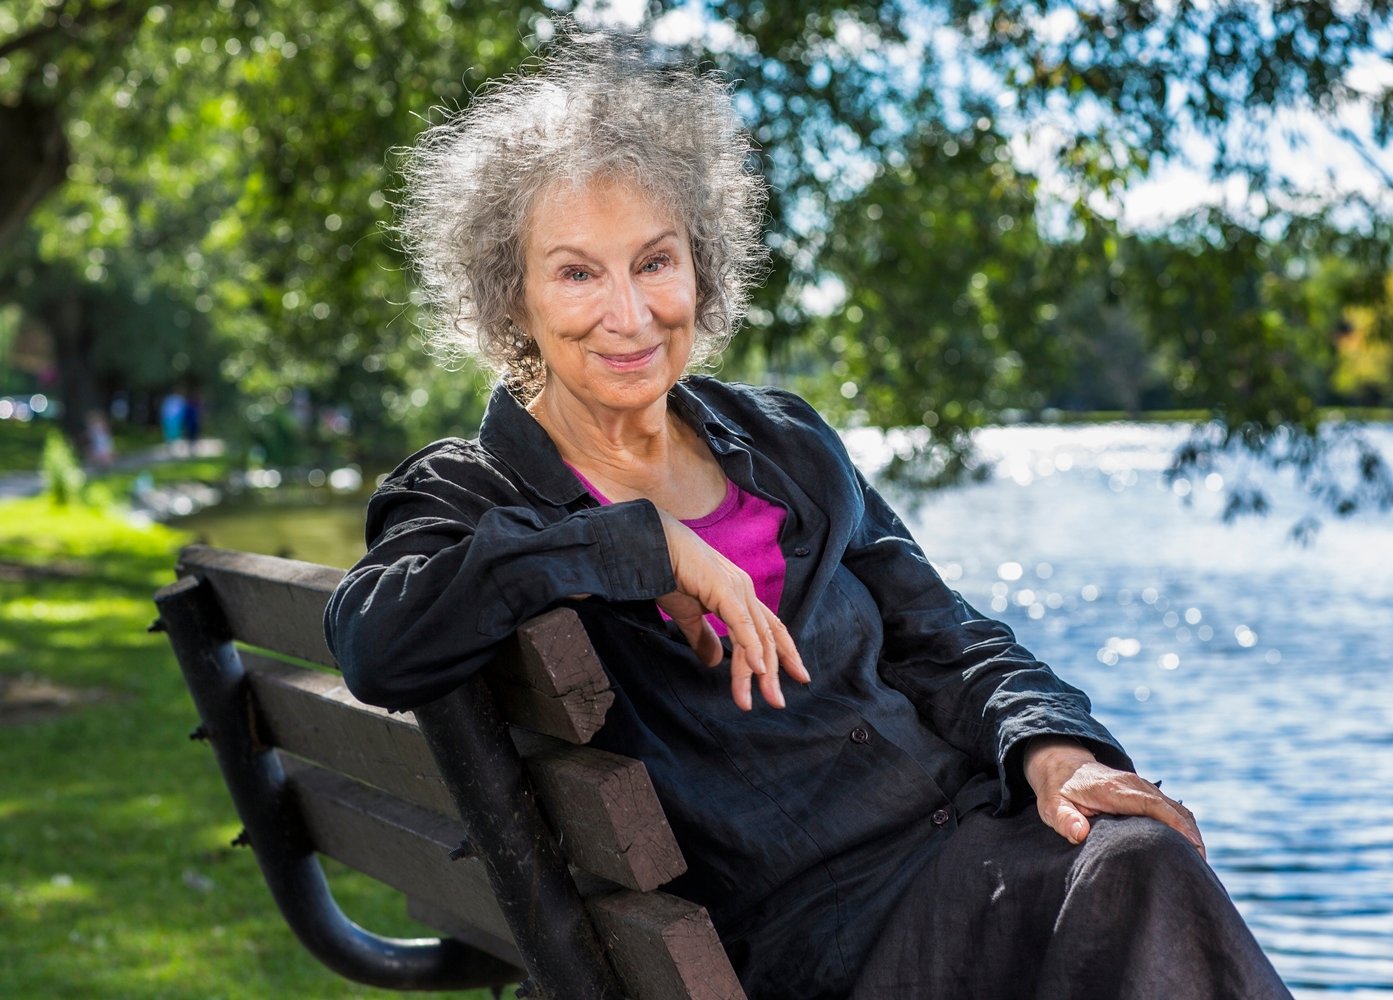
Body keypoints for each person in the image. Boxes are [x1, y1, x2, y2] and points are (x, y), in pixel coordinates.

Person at [325, 29, 1293, 1000]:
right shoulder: (472, 490)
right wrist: (636, 545)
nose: (628, 313)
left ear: (700, 267)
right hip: (822, 935)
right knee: (1143, 883)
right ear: (511, 295)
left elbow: (944, 637)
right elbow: (376, 640)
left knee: (1133, 856)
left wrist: (1051, 747)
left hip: (973, 853)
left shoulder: (783, 440)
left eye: (655, 262)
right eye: (577, 272)